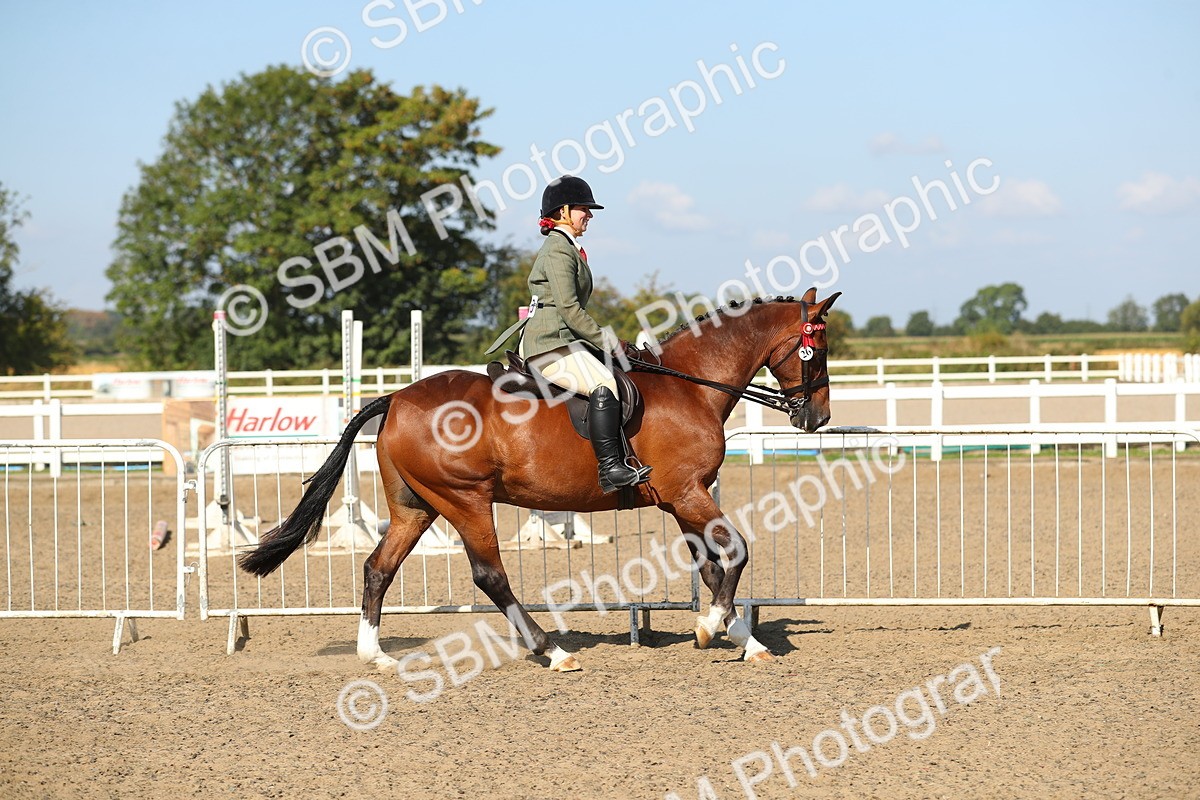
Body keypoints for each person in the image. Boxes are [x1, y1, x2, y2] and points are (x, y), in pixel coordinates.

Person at [518, 175, 651, 494]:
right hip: (550, 345)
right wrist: (611, 342)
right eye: (583, 209)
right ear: (563, 211)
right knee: (604, 384)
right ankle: (610, 469)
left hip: (562, 340)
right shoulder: (558, 251)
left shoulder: (566, 247)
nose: (589, 215)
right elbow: (570, 310)